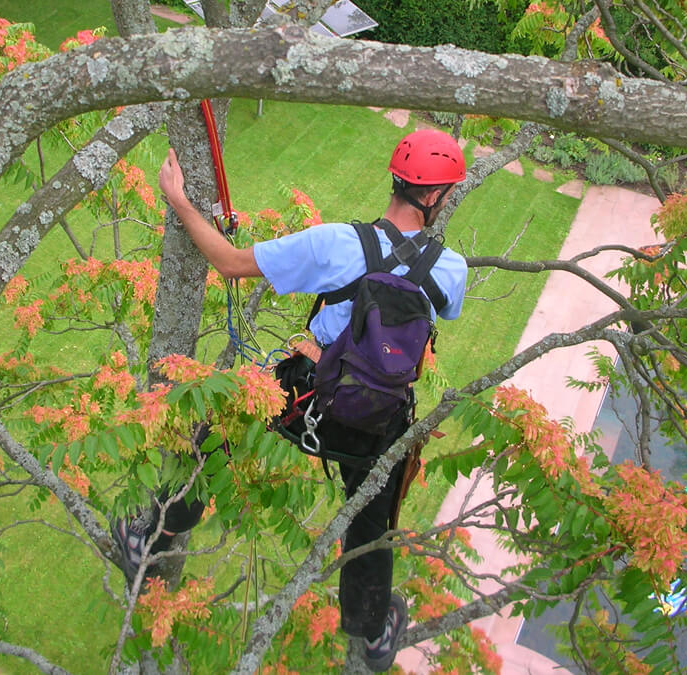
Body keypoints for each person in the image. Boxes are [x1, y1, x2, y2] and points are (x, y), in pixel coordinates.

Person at [113, 129, 469, 672]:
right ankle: (372, 632)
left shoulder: (336, 244)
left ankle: (152, 536)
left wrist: (181, 202)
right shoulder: (452, 269)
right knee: (373, 514)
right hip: (380, 419)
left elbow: (230, 262)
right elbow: (442, 313)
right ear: (437, 196)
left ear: (395, 180)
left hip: (312, 402)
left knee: (223, 428)